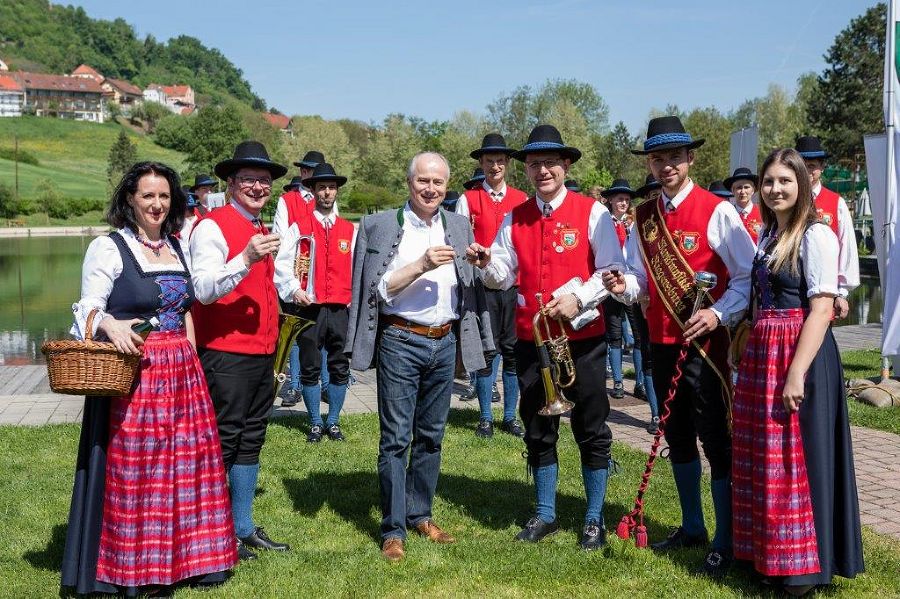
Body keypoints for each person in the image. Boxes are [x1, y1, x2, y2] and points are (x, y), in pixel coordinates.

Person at [62, 162, 237, 595]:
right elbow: (85, 308)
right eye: (147, 196)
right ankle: (138, 569)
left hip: (181, 372)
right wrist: (109, 324)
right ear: (130, 200)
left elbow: (186, 310)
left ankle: (191, 561)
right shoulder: (109, 248)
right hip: (136, 372)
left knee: (189, 466)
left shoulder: (178, 246)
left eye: (164, 196)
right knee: (141, 471)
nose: (157, 204)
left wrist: (193, 360)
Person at [605, 115, 755, 575]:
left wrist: (716, 312)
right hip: (662, 341)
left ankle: (727, 539)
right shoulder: (643, 217)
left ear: (690, 159)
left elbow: (749, 275)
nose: (666, 165)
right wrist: (620, 283)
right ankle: (693, 527)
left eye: (674, 156)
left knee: (716, 437)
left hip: (709, 345)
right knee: (677, 435)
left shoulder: (719, 209)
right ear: (649, 164)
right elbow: (639, 282)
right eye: (657, 158)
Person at [468, 124, 625, 551]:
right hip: (532, 340)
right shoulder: (513, 217)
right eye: (535, 164)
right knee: (538, 428)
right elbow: (502, 276)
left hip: (582, 339)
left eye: (550, 163)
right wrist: (486, 263)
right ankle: (545, 513)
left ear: (566, 165)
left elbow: (612, 271)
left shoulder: (592, 212)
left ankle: (594, 519)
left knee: (591, 429)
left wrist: (579, 297)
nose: (542, 171)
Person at [346, 151, 493, 563]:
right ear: (409, 183)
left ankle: (419, 513)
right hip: (401, 339)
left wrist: (482, 264)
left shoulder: (459, 225)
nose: (431, 189)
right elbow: (376, 288)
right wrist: (420, 265)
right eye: (423, 182)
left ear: (447, 187)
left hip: (444, 341)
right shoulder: (378, 225)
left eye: (438, 183)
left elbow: (473, 279)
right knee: (395, 439)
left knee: (432, 436)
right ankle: (393, 529)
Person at [731, 148, 864, 595]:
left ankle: (804, 568)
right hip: (765, 352)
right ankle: (769, 556)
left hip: (799, 354)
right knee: (765, 457)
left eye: (785, 181)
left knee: (798, 461)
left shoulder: (815, 235)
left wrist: (795, 373)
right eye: (769, 182)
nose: (774, 189)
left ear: (802, 184)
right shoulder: (770, 234)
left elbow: (822, 308)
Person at [190, 140, 290, 560]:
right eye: (248, 179)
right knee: (225, 441)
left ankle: (243, 526)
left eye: (264, 180)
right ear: (230, 183)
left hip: (262, 352)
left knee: (252, 439)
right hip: (226, 354)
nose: (257, 186)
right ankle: (216, 532)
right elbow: (204, 289)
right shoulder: (211, 226)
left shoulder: (261, 228)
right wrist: (246, 259)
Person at [274, 163, 355, 442]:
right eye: (321, 187)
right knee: (309, 365)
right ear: (313, 190)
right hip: (310, 307)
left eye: (331, 187)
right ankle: (314, 422)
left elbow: (357, 269)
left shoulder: (349, 229)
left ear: (336, 191)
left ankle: (333, 421)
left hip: (340, 308)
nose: (327, 192)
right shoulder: (300, 227)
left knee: (339, 365)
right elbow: (282, 264)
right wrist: (294, 289)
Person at [456, 133, 528, 438]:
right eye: (489, 161)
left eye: (500, 161)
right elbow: (458, 243)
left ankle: (510, 416)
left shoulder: (522, 199)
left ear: (508, 164)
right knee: (486, 353)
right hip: (480, 286)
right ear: (481, 164)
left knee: (512, 353)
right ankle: (485, 416)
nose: (494, 166)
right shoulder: (468, 199)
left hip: (513, 287)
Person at [599, 179, 660, 431]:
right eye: (653, 194)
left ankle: (649, 392)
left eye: (626, 199)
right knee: (623, 338)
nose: (623, 203)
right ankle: (622, 385)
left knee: (642, 344)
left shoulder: (633, 224)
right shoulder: (628, 226)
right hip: (626, 288)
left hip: (659, 299)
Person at [794, 136, 859, 319]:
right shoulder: (786, 200)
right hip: (790, 291)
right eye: (802, 165)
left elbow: (847, 248)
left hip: (824, 290)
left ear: (821, 168)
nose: (807, 171)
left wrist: (842, 292)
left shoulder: (836, 202)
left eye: (812, 165)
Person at [724, 167, 762, 244]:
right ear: (732, 190)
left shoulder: (763, 214)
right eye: (739, 188)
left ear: (753, 190)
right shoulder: (726, 215)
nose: (743, 191)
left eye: (746, 187)